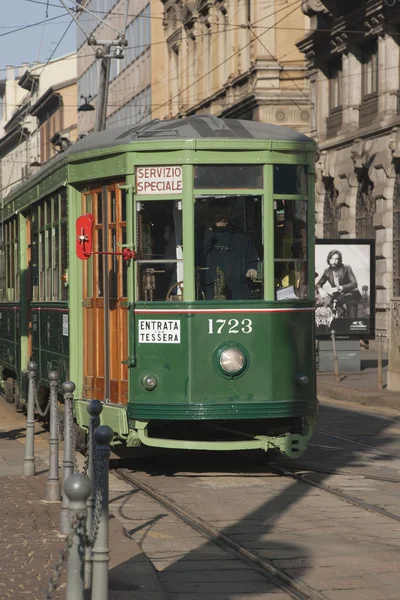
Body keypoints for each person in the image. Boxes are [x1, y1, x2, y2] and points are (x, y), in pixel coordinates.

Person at [197, 201, 259, 300]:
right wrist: (209, 230)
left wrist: (252, 268)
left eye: (226, 212)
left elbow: (253, 259)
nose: (222, 217)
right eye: (218, 213)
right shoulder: (201, 235)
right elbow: (197, 256)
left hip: (238, 292)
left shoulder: (241, 236)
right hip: (209, 292)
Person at [316, 249, 360, 318]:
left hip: (351, 296)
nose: (333, 261)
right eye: (332, 258)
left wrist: (340, 288)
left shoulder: (346, 268)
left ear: (339, 260)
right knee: (329, 313)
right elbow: (318, 284)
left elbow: (354, 283)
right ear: (328, 259)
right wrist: (320, 290)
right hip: (338, 297)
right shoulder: (327, 271)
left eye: (336, 259)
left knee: (352, 320)